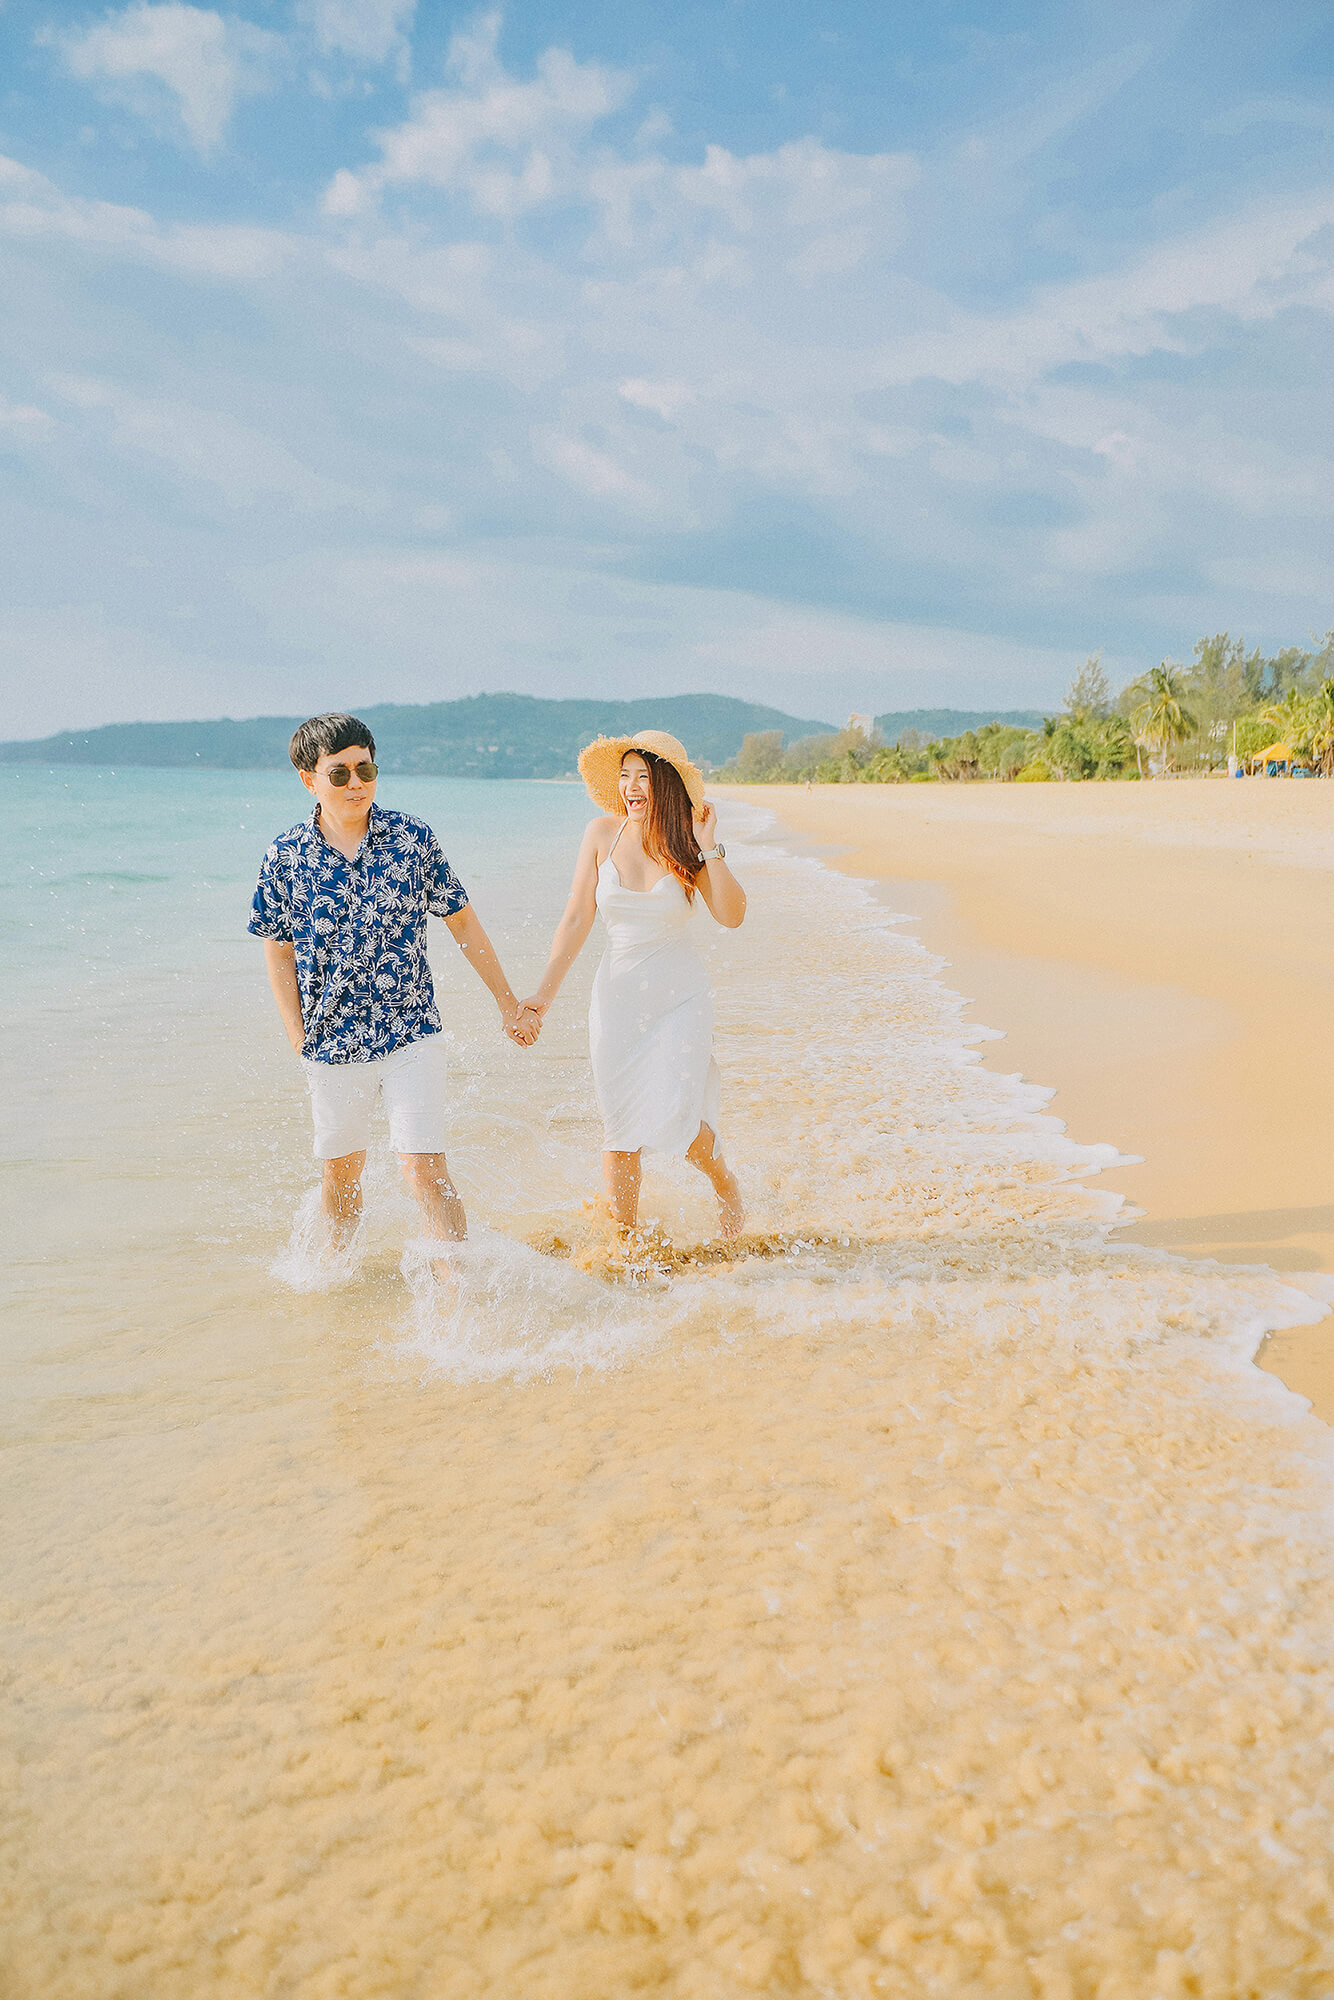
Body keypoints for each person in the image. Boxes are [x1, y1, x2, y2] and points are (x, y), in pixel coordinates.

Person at [248, 712, 536, 1274]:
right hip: (331, 1042)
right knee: (341, 1171)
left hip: (412, 1030)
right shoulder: (284, 855)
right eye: (340, 773)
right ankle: (334, 1279)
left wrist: (507, 1001)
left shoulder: (411, 838)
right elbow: (278, 950)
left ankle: (457, 1290)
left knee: (423, 1166)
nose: (355, 782)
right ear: (309, 779)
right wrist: (296, 1036)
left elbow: (464, 925)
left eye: (366, 768)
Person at [517, 730, 746, 1241]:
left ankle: (725, 1182)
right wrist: (542, 997)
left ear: (664, 783)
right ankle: (624, 1246)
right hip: (617, 1002)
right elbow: (576, 917)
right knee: (619, 1127)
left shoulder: (687, 844)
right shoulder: (601, 834)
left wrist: (711, 849)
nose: (631, 786)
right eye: (625, 775)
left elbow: (731, 916)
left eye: (642, 776)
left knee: (682, 1122)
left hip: (680, 1000)